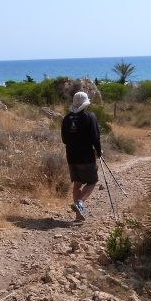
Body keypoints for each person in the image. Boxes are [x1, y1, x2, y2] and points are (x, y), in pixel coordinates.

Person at [61, 91, 102, 221]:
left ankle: (79, 215)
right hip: (86, 157)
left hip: (71, 157)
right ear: (86, 104)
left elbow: (64, 139)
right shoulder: (90, 116)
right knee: (92, 181)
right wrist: (99, 151)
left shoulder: (66, 118)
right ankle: (79, 202)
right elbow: (95, 137)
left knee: (77, 184)